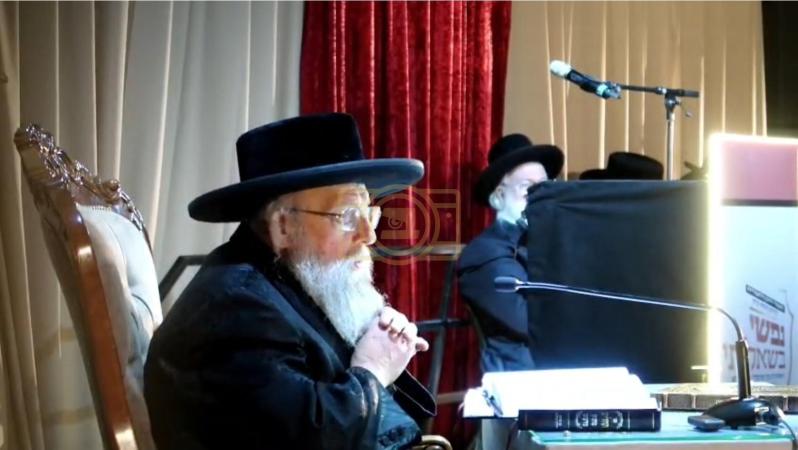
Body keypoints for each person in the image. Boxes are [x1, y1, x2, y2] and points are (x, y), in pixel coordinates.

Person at [144, 113, 436, 450]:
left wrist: (381, 346)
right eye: (347, 216)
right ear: (283, 227)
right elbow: (308, 440)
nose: (368, 235)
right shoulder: (236, 307)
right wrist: (372, 371)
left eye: (369, 212)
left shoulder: (289, 278)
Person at [457, 134, 564, 373]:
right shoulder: (485, 253)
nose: (538, 196)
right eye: (527, 187)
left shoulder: (552, 243)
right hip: (525, 377)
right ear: (499, 196)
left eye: (544, 187)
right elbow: (531, 323)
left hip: (571, 369)